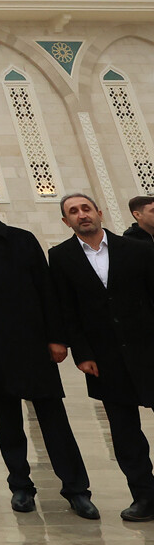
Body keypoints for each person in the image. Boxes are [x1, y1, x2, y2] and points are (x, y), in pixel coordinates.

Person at [0, 185, 97, 518]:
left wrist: (56, 338)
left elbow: (46, 289)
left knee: (52, 419)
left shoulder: (22, 239)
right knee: (7, 420)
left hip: (31, 343)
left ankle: (76, 489)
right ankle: (21, 488)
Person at [50, 193, 154, 522]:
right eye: (73, 212)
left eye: (85, 208)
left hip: (147, 349)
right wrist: (82, 354)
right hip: (105, 358)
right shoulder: (62, 257)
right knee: (124, 432)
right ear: (66, 221)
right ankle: (144, 496)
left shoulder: (137, 249)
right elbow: (67, 309)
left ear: (99, 212)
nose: (82, 215)